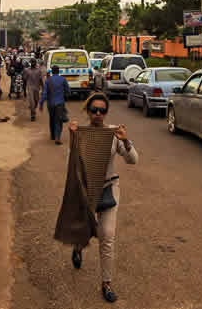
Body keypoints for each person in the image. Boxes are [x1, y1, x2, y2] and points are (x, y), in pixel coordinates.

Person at [63, 93, 138, 303]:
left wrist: (126, 141)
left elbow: (133, 160)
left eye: (102, 110)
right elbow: (73, 160)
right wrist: (72, 136)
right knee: (84, 230)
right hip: (86, 190)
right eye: (94, 110)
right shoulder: (81, 133)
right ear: (88, 111)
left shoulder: (113, 134)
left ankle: (106, 282)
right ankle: (78, 247)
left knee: (106, 235)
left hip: (109, 189)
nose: (98, 114)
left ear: (106, 112)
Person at [40, 65, 70, 145]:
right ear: (58, 71)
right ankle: (57, 137)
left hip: (50, 104)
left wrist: (41, 103)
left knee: (52, 119)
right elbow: (68, 91)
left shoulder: (48, 80)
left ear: (52, 72)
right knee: (58, 121)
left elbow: (44, 93)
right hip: (60, 103)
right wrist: (66, 95)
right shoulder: (63, 79)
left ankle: (53, 135)